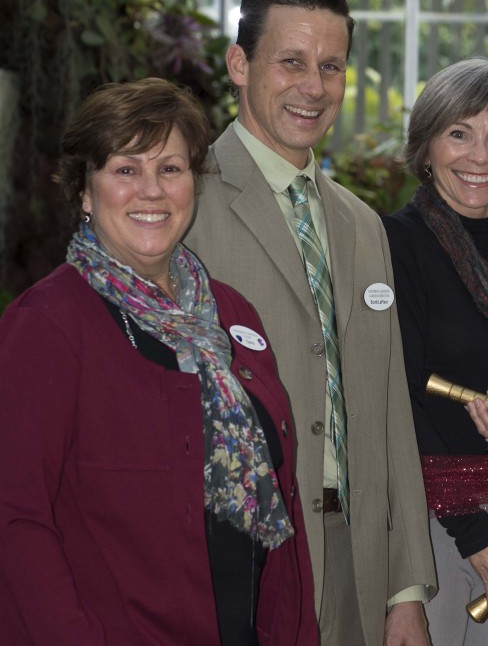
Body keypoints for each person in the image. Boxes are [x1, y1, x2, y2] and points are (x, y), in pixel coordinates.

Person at [0, 78, 318, 645]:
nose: (152, 191)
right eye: (126, 170)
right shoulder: (47, 325)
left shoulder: (230, 312)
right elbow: (16, 519)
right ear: (84, 191)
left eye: (170, 169)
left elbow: (280, 502)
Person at [184, 0, 436, 646]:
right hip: (243, 562)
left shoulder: (360, 226)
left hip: (360, 563)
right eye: (291, 62)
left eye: (331, 66)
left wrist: (406, 589)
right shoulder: (180, 209)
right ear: (239, 64)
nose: (314, 87)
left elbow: (388, 412)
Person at [382, 58, 488, 645]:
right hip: (429, 532)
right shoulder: (392, 247)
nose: (479, 156)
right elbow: (393, 407)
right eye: (459, 132)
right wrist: (475, 537)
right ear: (426, 147)